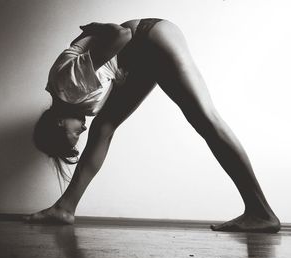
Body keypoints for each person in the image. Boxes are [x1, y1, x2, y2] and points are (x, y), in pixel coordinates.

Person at [27, 18, 281, 233]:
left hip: (148, 37)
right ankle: (64, 209)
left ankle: (260, 212)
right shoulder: (70, 97)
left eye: (74, 132)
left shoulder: (68, 86)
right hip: (143, 51)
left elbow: (121, 34)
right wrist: (117, 71)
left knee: (205, 118)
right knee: (104, 126)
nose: (81, 129)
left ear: (58, 122)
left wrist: (95, 28)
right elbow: (93, 59)